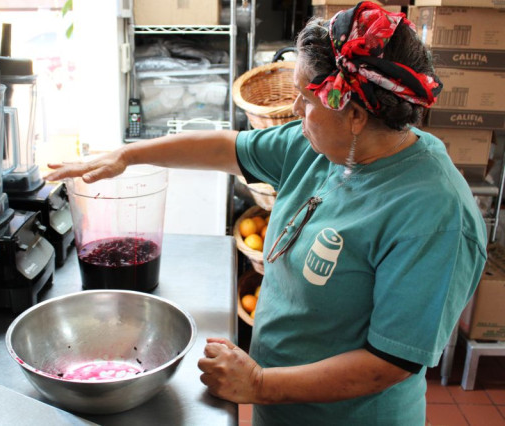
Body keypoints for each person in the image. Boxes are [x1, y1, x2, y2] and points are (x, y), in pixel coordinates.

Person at [45, 2, 487, 424]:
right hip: (281, 407)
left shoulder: (434, 215)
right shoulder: (321, 146)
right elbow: (227, 147)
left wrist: (259, 382)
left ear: (354, 114)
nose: (295, 110)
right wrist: (128, 156)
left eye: (306, 99)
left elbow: (388, 363)